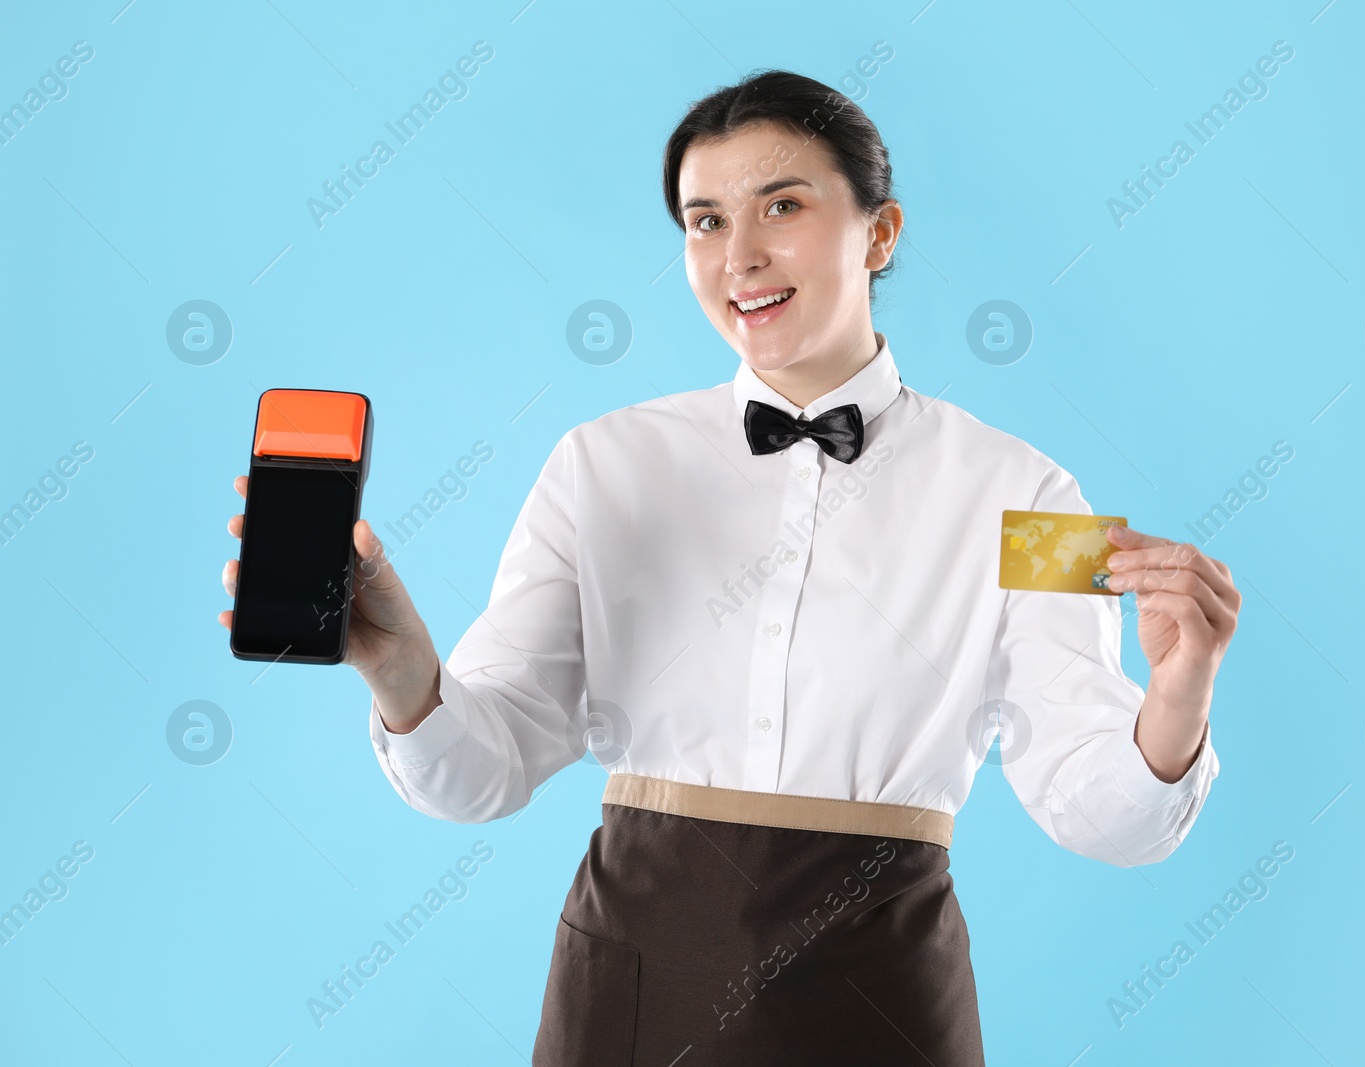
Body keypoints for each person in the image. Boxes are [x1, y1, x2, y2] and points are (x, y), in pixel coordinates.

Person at [220, 69, 1239, 1065]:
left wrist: (1178, 693)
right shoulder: (601, 464)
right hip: (626, 992)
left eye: (781, 205)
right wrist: (402, 674)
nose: (739, 255)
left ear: (879, 232)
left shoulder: (1028, 496)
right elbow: (481, 773)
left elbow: (1100, 813)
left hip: (879, 996)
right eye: (704, 221)